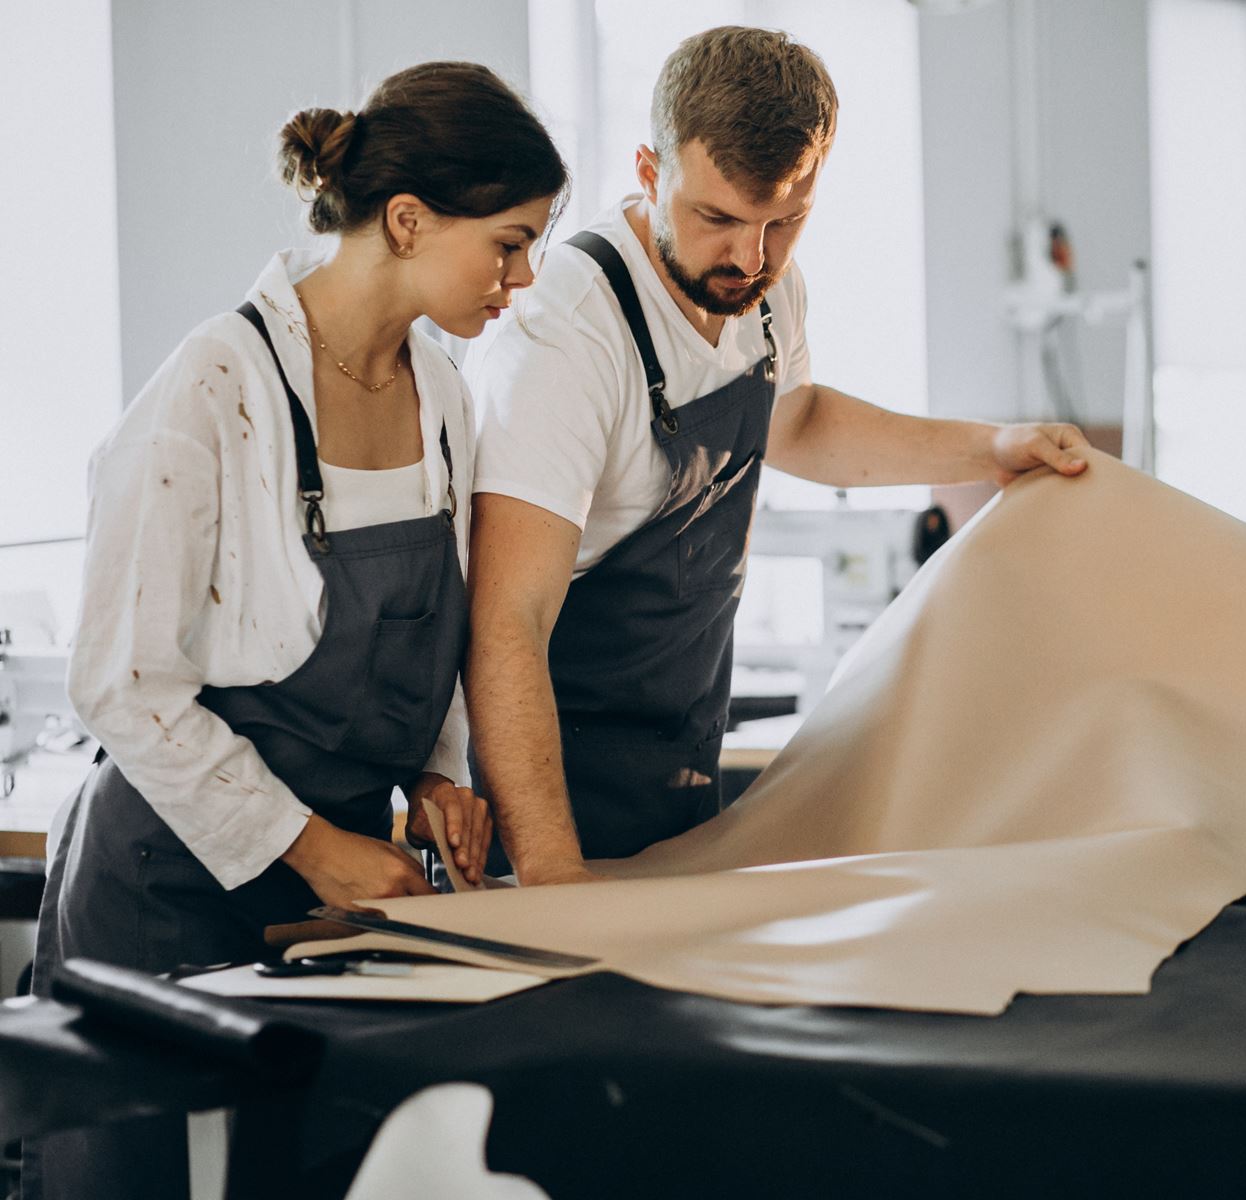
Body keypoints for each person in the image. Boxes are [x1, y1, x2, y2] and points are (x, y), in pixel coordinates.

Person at [26, 60, 566, 1199]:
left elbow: (434, 626)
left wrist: (436, 771)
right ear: (408, 221)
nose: (523, 279)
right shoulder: (212, 388)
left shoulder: (444, 394)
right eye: (509, 244)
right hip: (168, 887)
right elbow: (120, 685)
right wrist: (315, 844)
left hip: (326, 900)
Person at [466, 26, 1090, 886]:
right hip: (542, 790)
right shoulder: (569, 332)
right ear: (649, 173)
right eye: (717, 219)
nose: (749, 258)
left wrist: (989, 446)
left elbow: (798, 424)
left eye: (785, 222)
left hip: (677, 759)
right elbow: (507, 624)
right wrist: (550, 874)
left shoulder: (765, 292)